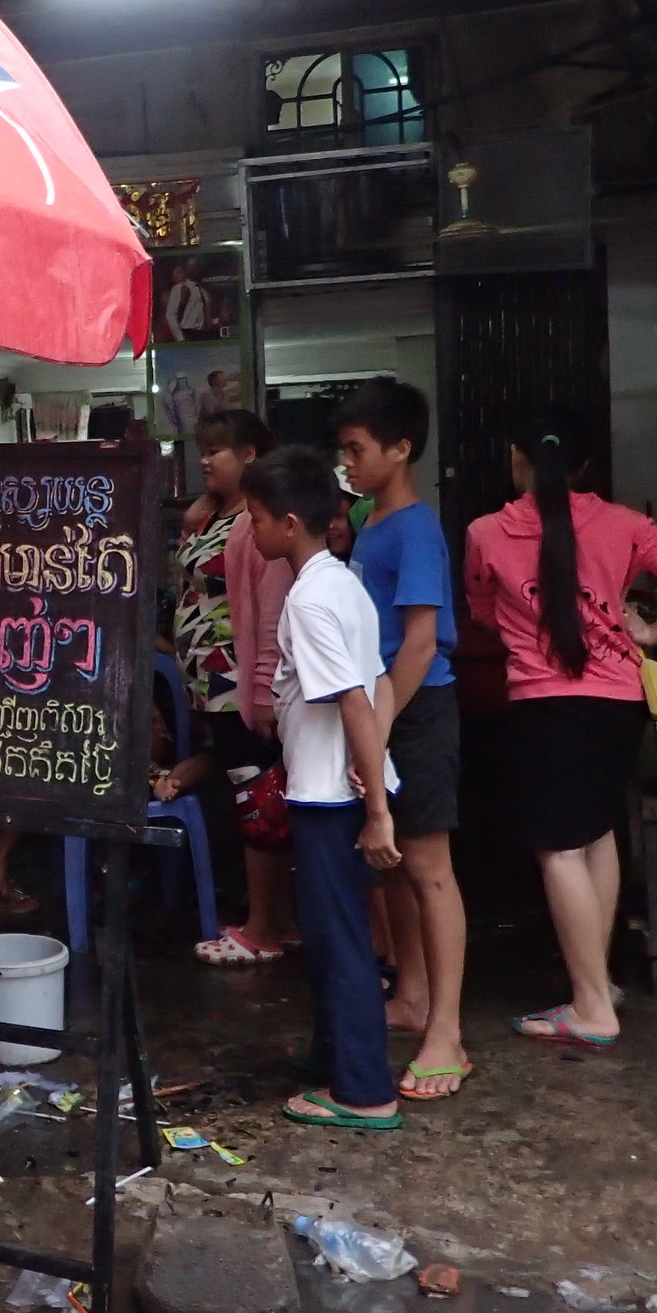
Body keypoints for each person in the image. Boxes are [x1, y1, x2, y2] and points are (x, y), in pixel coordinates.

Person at [465, 412, 657, 1050]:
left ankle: (590, 1008)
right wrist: (650, 632)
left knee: (558, 849)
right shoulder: (624, 524)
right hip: (617, 700)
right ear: (583, 468)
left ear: (516, 457)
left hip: (548, 705)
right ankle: (598, 981)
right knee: (595, 835)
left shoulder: (487, 532)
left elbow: (483, 611)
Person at [241, 446, 403, 1133]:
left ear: (285, 522)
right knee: (335, 933)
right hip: (344, 783)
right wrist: (375, 767)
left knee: (338, 941)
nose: (249, 530)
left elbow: (353, 702)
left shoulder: (309, 598)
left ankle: (366, 1091)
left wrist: (376, 810)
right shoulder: (344, 580)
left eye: (252, 517)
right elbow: (382, 682)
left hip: (331, 797)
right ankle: (334, 1056)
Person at [334, 380, 469, 1100]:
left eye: (357, 449)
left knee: (428, 868)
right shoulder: (371, 522)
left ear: (401, 448)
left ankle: (446, 1031)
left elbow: (419, 644)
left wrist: (378, 727)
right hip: (384, 711)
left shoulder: (416, 527)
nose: (348, 462)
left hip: (415, 710)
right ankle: (413, 995)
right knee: (392, 869)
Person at [160, 409, 297, 966]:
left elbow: (268, 614)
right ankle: (271, 918)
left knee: (256, 795)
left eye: (217, 450)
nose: (204, 459)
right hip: (211, 683)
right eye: (202, 449)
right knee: (245, 792)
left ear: (249, 455)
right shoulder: (217, 516)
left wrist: (259, 690)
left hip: (238, 681)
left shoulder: (259, 523)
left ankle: (264, 927)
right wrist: (196, 519)